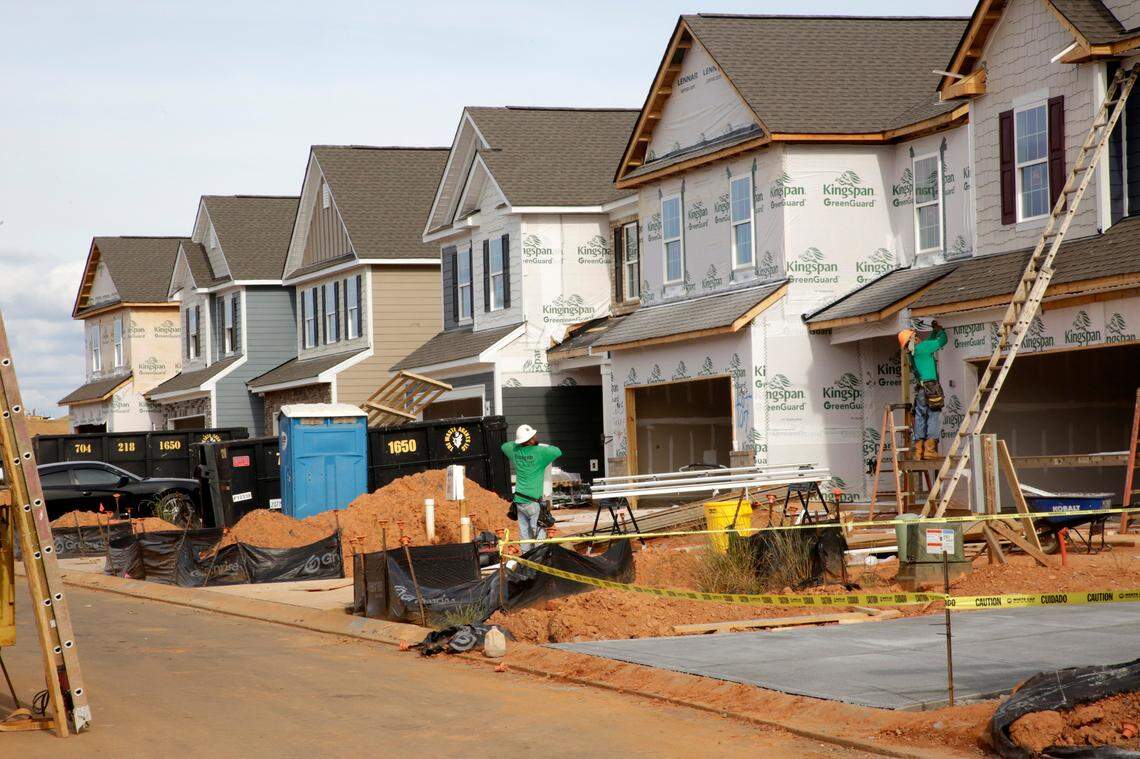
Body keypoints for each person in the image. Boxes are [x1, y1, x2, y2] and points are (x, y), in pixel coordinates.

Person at [500, 424, 562, 542]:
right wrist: (542, 446)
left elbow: (504, 446)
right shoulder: (540, 452)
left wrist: (520, 443)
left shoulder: (515, 451)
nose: (536, 436)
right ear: (531, 439)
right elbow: (557, 451)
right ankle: (539, 559)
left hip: (519, 501)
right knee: (538, 534)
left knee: (524, 535)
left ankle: (526, 558)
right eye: (534, 435)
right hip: (533, 502)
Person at [898, 319, 948, 460]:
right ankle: (929, 450)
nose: (918, 336)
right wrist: (941, 331)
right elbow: (941, 341)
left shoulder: (913, 353)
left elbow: (929, 342)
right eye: (915, 335)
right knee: (933, 416)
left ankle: (918, 451)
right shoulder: (923, 348)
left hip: (921, 390)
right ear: (912, 339)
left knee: (920, 417)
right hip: (931, 388)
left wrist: (933, 332)